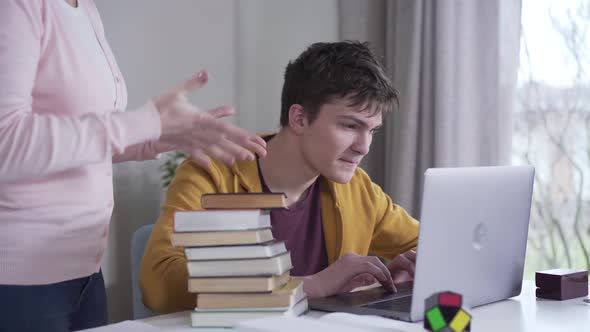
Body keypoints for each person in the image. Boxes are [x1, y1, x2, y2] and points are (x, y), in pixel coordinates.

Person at [0, 1, 266, 331]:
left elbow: (79, 137)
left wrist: (156, 138)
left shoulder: (85, 9)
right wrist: (145, 122)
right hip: (19, 281)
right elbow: (6, 141)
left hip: (83, 275)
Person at [140, 40, 419, 314]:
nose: (364, 146)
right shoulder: (211, 174)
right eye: (350, 125)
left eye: (372, 131)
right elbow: (158, 281)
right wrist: (307, 286)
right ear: (299, 119)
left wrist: (393, 279)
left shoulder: (358, 189)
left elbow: (425, 244)